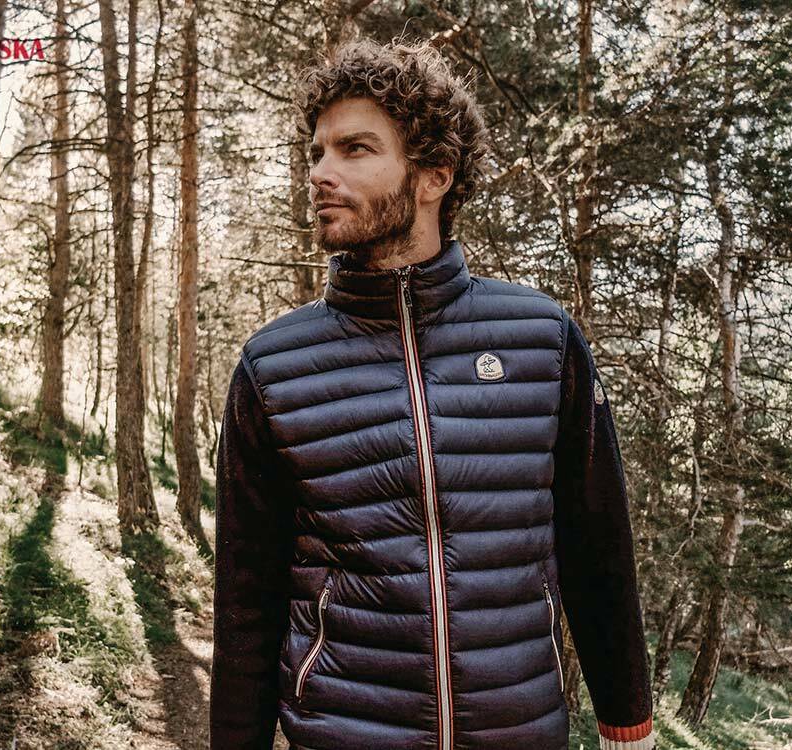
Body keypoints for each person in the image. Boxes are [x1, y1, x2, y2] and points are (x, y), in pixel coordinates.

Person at [209, 37, 655, 750]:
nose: (320, 173)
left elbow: (596, 546)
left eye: (354, 149)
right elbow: (246, 600)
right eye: (317, 153)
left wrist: (627, 725)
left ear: (433, 176)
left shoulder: (539, 338)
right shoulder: (275, 366)